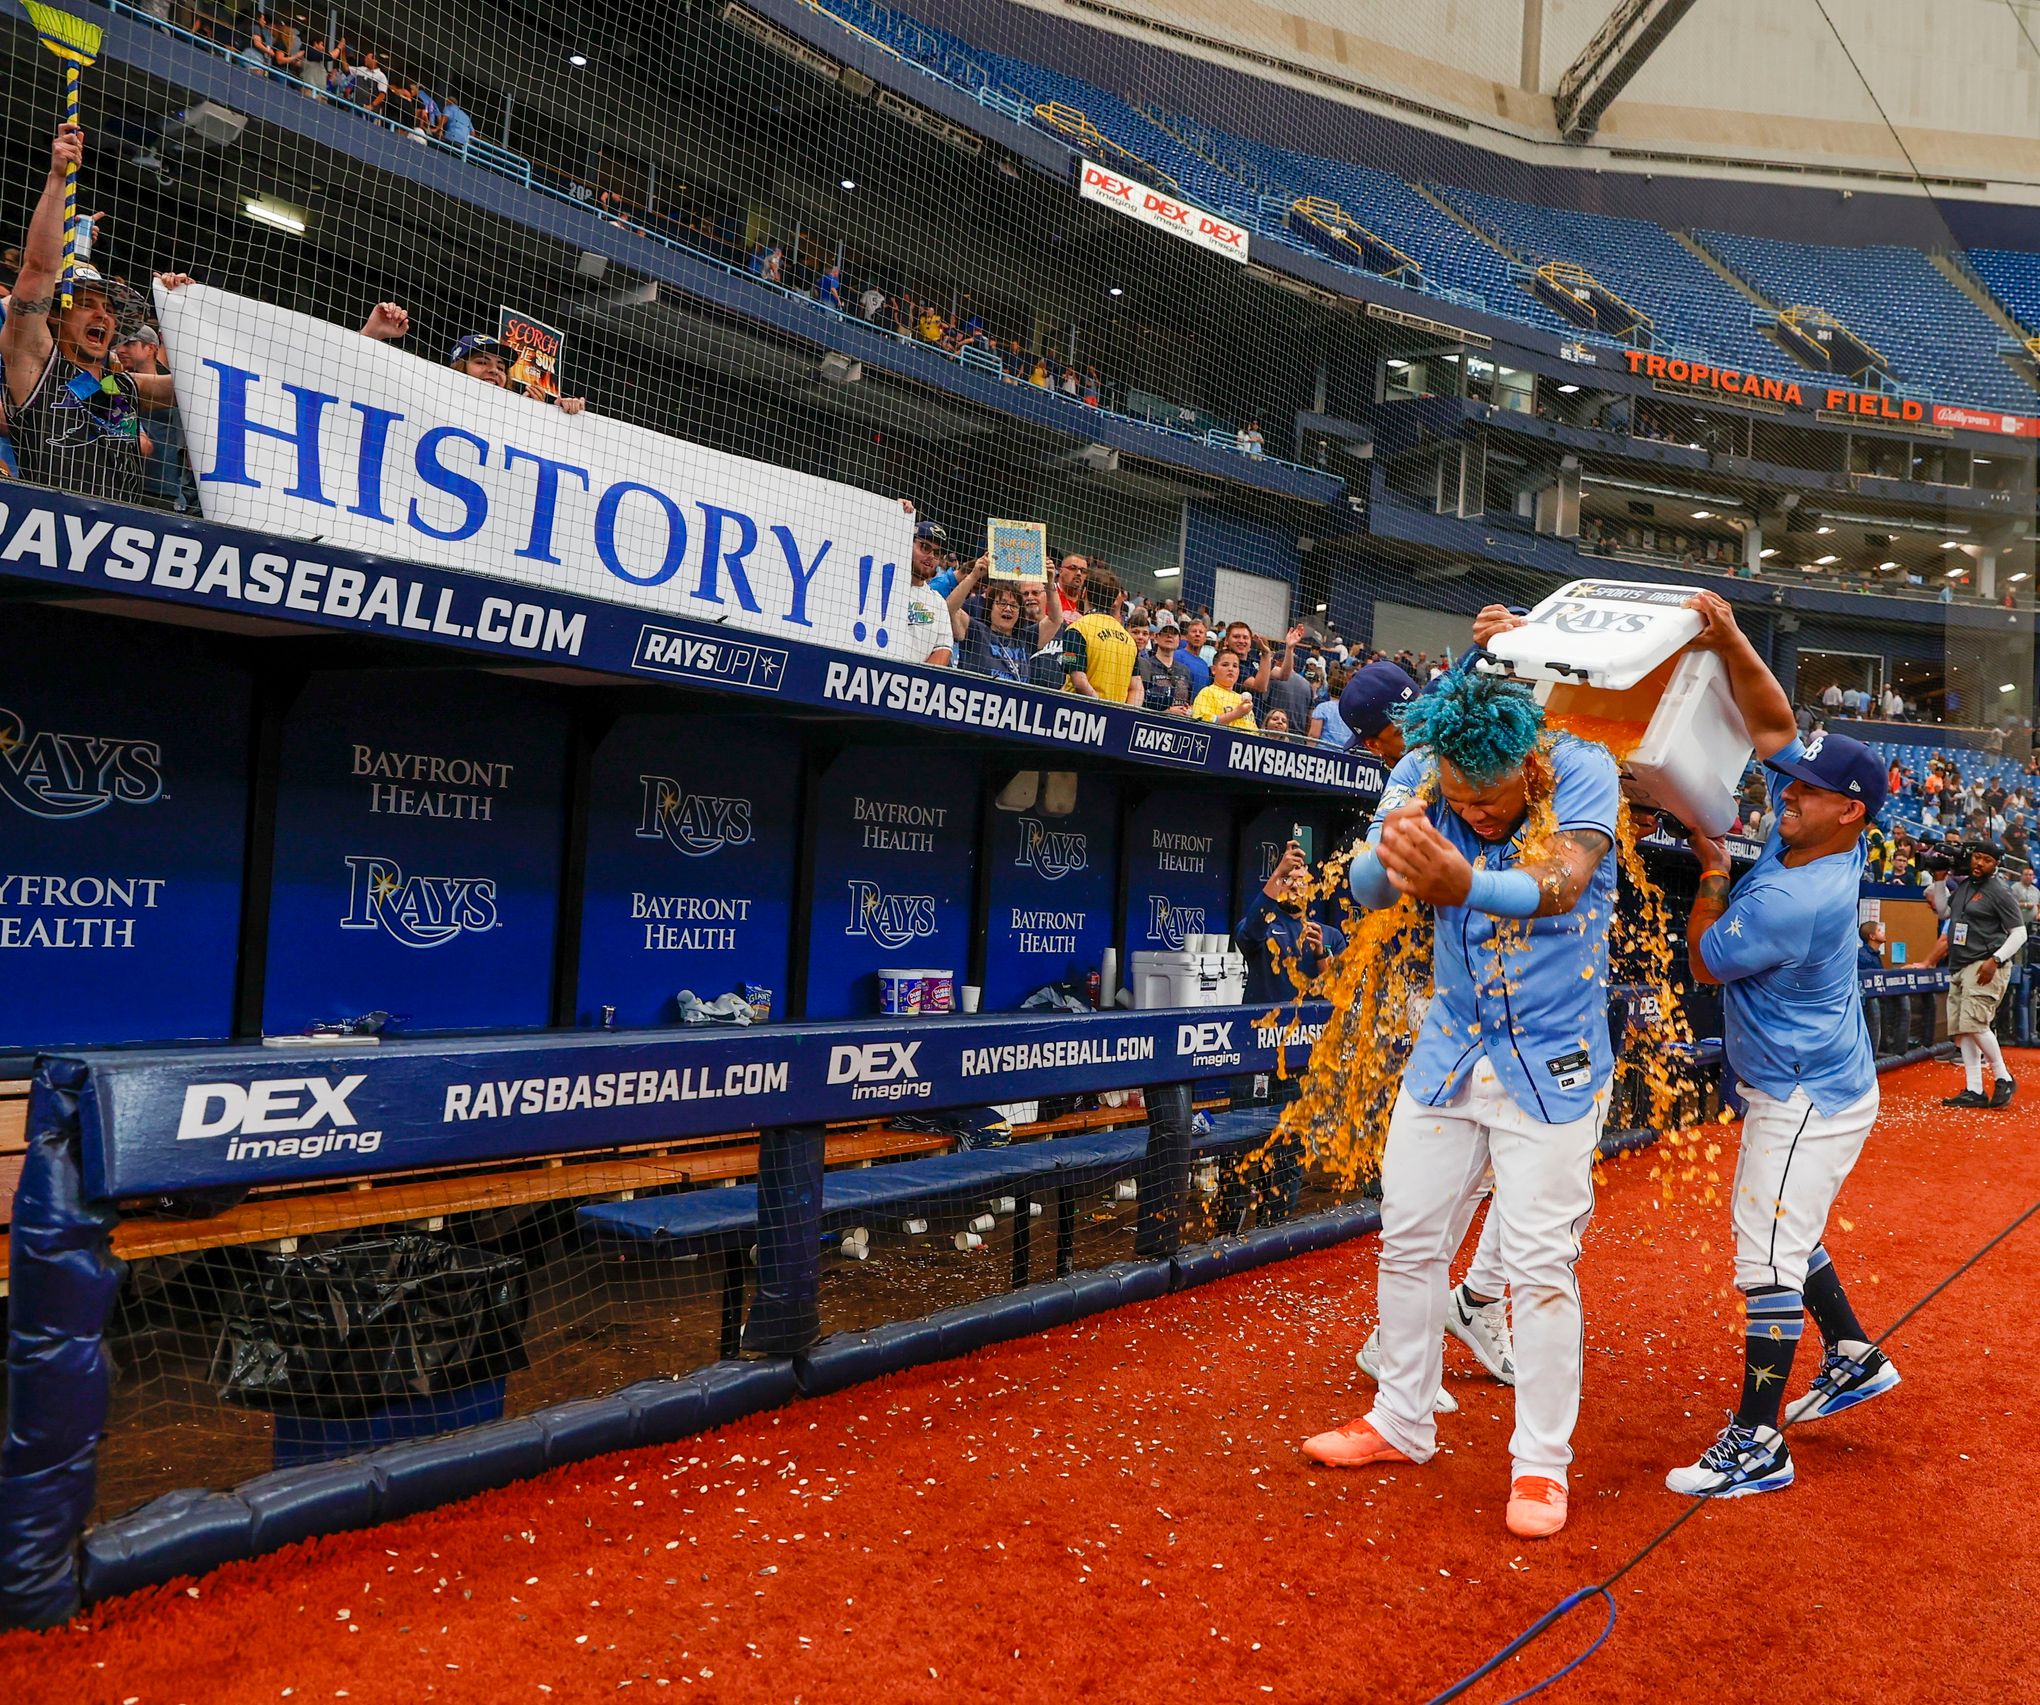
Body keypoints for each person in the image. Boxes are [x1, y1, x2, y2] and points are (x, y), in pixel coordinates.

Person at [1302, 640, 1622, 1543]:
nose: (1475, 812)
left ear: (1528, 763)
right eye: (1460, 795)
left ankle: (1541, 1465)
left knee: (1539, 1268)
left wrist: (1464, 876)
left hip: (1553, 1060)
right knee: (1407, 1237)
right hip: (1451, 1045)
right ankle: (1402, 1418)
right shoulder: (1415, 765)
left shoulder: (1582, 764)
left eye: (1491, 798)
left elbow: (1563, 881)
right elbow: (1367, 887)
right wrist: (1393, 850)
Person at [1665, 603, 1899, 1497]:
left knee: (1763, 1254)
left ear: (1849, 810)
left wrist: (1713, 869)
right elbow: (1771, 726)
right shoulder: (1816, 836)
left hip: (1804, 1096)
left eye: (1802, 790)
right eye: (1788, 784)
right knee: (1781, 1231)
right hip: (1820, 1080)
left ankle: (1759, 1439)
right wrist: (1729, 639)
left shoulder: (1796, 897)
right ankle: (1850, 1351)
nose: (1783, 793)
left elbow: (1702, 961)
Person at [2, 125, 193, 504]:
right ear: (55, 314)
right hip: (45, 537)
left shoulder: (119, 388)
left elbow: (201, 384)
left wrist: (186, 314)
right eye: (87, 304)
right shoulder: (35, 364)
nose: (103, 316)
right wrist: (58, 177)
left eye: (108, 309)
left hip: (120, 541)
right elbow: (39, 268)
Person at [1225, 839, 1347, 1227]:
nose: (1295, 886)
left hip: (1300, 1055)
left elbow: (1339, 995)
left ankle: (1278, 1223)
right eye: (1287, 880)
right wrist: (1277, 874)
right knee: (1240, 1138)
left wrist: (1322, 957)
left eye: (1300, 880)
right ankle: (1231, 1217)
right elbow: (1245, 939)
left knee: (1289, 1143)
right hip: (1256, 1050)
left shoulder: (1326, 934)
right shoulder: (1263, 922)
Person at [1921, 840, 2025, 1108]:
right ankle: (1974, 1088)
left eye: (1986, 860)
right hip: (1960, 963)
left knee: (1976, 1024)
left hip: (1983, 963)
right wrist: (1941, 880)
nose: (1979, 863)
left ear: (1996, 864)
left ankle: (2003, 1076)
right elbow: (1944, 911)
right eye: (1976, 857)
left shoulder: (1999, 892)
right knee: (1965, 1030)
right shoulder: (1966, 885)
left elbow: (2020, 933)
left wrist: (1996, 960)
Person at [1059, 566, 1141, 705]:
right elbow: (1137, 689)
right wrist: (1124, 715)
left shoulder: (1076, 629)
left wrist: (1101, 709)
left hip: (1077, 712)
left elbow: (1078, 680)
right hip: (1115, 720)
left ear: (1084, 592)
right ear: (1115, 600)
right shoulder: (1128, 640)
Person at [1190, 647, 1255, 728]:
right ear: (1213, 670)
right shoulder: (1207, 692)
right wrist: (1236, 714)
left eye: (1235, 666)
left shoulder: (1242, 700)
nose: (1231, 669)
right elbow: (1202, 723)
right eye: (1225, 665)